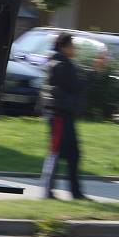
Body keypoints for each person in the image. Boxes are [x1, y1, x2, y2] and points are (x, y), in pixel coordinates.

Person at [39, 33, 87, 200]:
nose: (75, 49)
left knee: (74, 154)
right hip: (59, 115)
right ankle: (47, 191)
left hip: (65, 115)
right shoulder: (60, 64)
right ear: (64, 47)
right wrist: (94, 72)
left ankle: (76, 192)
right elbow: (77, 87)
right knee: (56, 152)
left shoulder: (63, 63)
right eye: (73, 46)